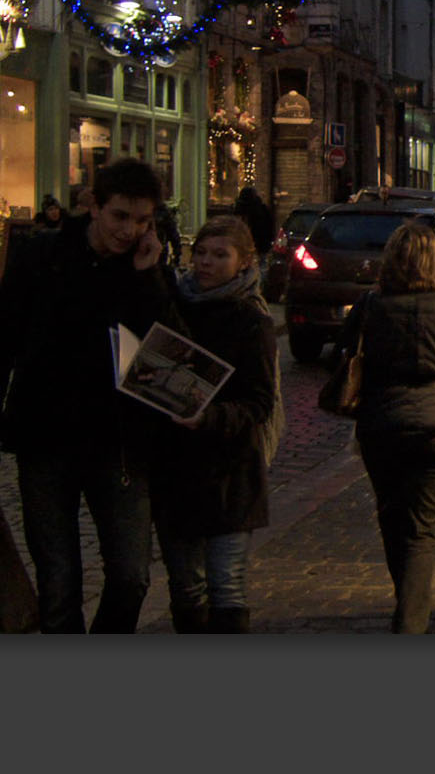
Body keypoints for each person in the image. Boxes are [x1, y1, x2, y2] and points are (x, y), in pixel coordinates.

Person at [0, 158, 178, 633]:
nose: (130, 230)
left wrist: (148, 278)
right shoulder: (42, 257)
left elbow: (165, 352)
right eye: (121, 216)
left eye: (143, 220)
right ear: (94, 206)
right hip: (46, 439)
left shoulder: (147, 268)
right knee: (58, 583)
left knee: (131, 576)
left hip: (120, 444)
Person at [340, 221, 435, 633]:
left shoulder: (371, 306)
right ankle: (411, 618)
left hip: (380, 425)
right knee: (420, 529)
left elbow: (346, 354)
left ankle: (407, 605)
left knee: (391, 515)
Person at [149, 216, 283, 633]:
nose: (205, 263)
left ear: (244, 263)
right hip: (177, 469)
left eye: (219, 255)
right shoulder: (176, 302)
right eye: (201, 253)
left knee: (227, 587)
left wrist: (211, 417)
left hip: (230, 473)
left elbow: (260, 401)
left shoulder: (252, 321)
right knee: (187, 589)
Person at [234, 186, 275, 264]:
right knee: (262, 262)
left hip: (250, 239)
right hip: (260, 240)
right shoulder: (261, 208)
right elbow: (269, 226)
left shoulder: (241, 209)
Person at [153, 200, 184, 269]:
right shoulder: (162, 212)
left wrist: (177, 255)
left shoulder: (163, 212)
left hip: (160, 251)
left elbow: (174, 235)